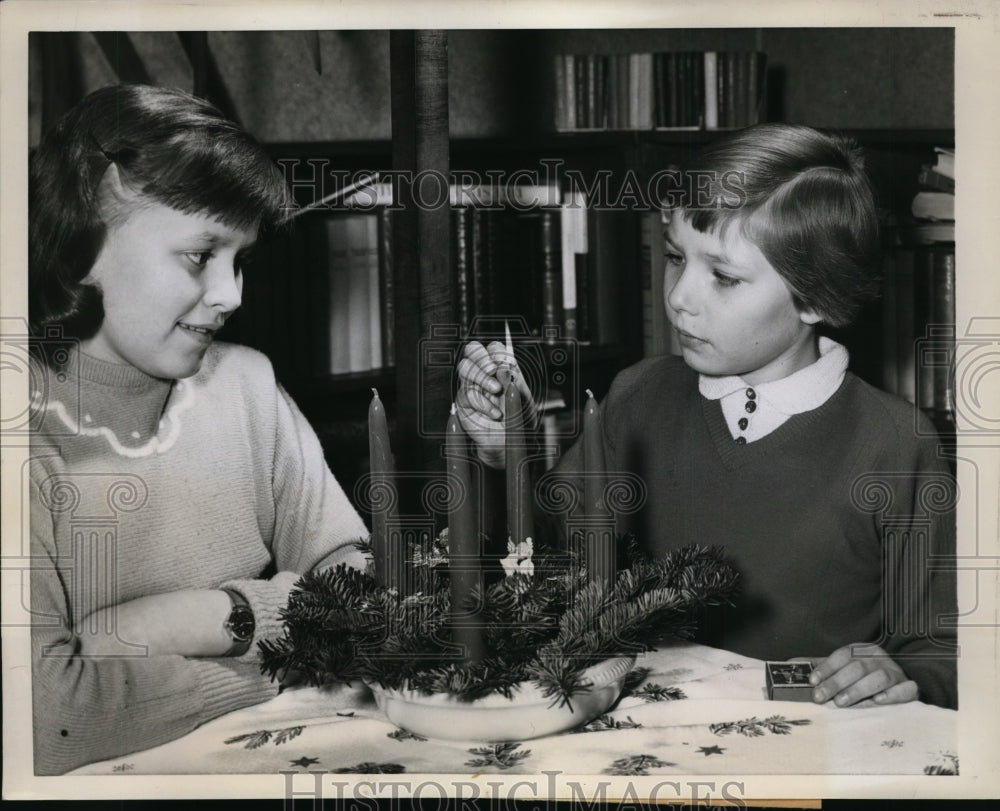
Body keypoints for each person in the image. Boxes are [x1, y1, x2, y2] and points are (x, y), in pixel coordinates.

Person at [457, 123, 958, 711]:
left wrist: (899, 674)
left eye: (722, 276)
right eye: (675, 257)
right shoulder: (638, 396)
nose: (678, 297)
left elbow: (946, 649)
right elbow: (542, 568)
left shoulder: (896, 443)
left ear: (817, 298)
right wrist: (503, 456)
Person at [28, 84, 369, 775]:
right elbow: (44, 720)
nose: (232, 295)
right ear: (84, 239)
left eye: (240, 260)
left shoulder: (246, 387)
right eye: (199, 255)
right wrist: (281, 657)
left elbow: (355, 588)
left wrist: (218, 616)